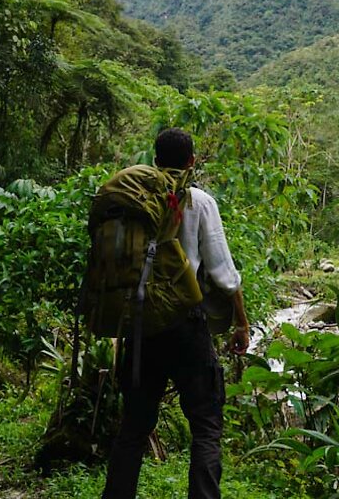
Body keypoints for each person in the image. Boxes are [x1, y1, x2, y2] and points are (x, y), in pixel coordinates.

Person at [101, 127, 250, 499]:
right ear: (192, 161)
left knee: (134, 425)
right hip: (185, 322)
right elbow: (222, 273)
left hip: (139, 324)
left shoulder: (133, 202)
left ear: (155, 160)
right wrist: (242, 322)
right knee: (205, 422)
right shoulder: (198, 202)